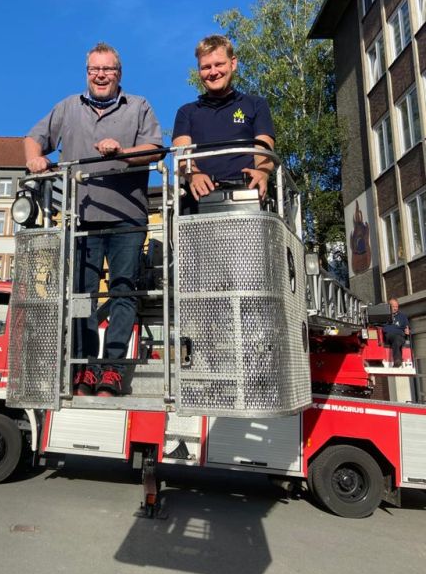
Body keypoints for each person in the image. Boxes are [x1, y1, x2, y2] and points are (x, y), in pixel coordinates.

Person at [24, 42, 163, 396]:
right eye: (94, 70)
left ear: (119, 74)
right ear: (87, 73)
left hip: (127, 217)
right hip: (80, 217)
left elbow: (154, 150)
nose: (101, 75)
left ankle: (113, 370)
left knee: (123, 291)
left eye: (108, 70)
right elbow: (33, 139)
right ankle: (85, 368)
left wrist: (122, 152)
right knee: (81, 295)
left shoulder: (139, 107)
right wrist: (35, 159)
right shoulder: (68, 107)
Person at [172, 34, 275, 203]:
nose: (213, 72)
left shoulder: (256, 105)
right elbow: (182, 156)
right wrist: (193, 175)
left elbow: (264, 149)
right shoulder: (186, 112)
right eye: (206, 67)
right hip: (200, 201)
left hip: (248, 195)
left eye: (219, 64)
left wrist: (262, 173)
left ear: (233, 63)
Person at [383, 297, 410, 367]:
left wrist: (408, 331)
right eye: (393, 306)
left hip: (400, 337)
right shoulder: (384, 315)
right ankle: (398, 359)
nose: (395, 308)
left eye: (396, 306)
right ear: (389, 306)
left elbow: (407, 328)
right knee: (395, 337)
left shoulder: (403, 316)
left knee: (397, 339)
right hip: (387, 336)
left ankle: (397, 361)